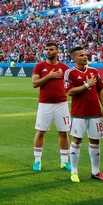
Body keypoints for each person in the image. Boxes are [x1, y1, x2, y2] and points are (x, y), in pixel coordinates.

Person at [65, 46, 103, 183]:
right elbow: (70, 92)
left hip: (95, 113)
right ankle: (74, 171)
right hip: (78, 114)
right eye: (81, 55)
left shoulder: (93, 71)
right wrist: (87, 85)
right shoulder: (70, 73)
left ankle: (95, 172)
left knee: (95, 141)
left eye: (85, 54)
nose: (85, 57)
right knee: (77, 140)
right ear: (74, 58)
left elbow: (100, 90)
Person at [31, 41, 71, 172]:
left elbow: (70, 85)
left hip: (62, 104)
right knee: (40, 132)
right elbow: (35, 84)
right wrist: (49, 76)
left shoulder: (65, 68)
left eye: (51, 49)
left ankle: (64, 162)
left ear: (57, 51)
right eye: (47, 49)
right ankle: (37, 160)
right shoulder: (39, 66)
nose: (48, 51)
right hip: (44, 104)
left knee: (63, 133)